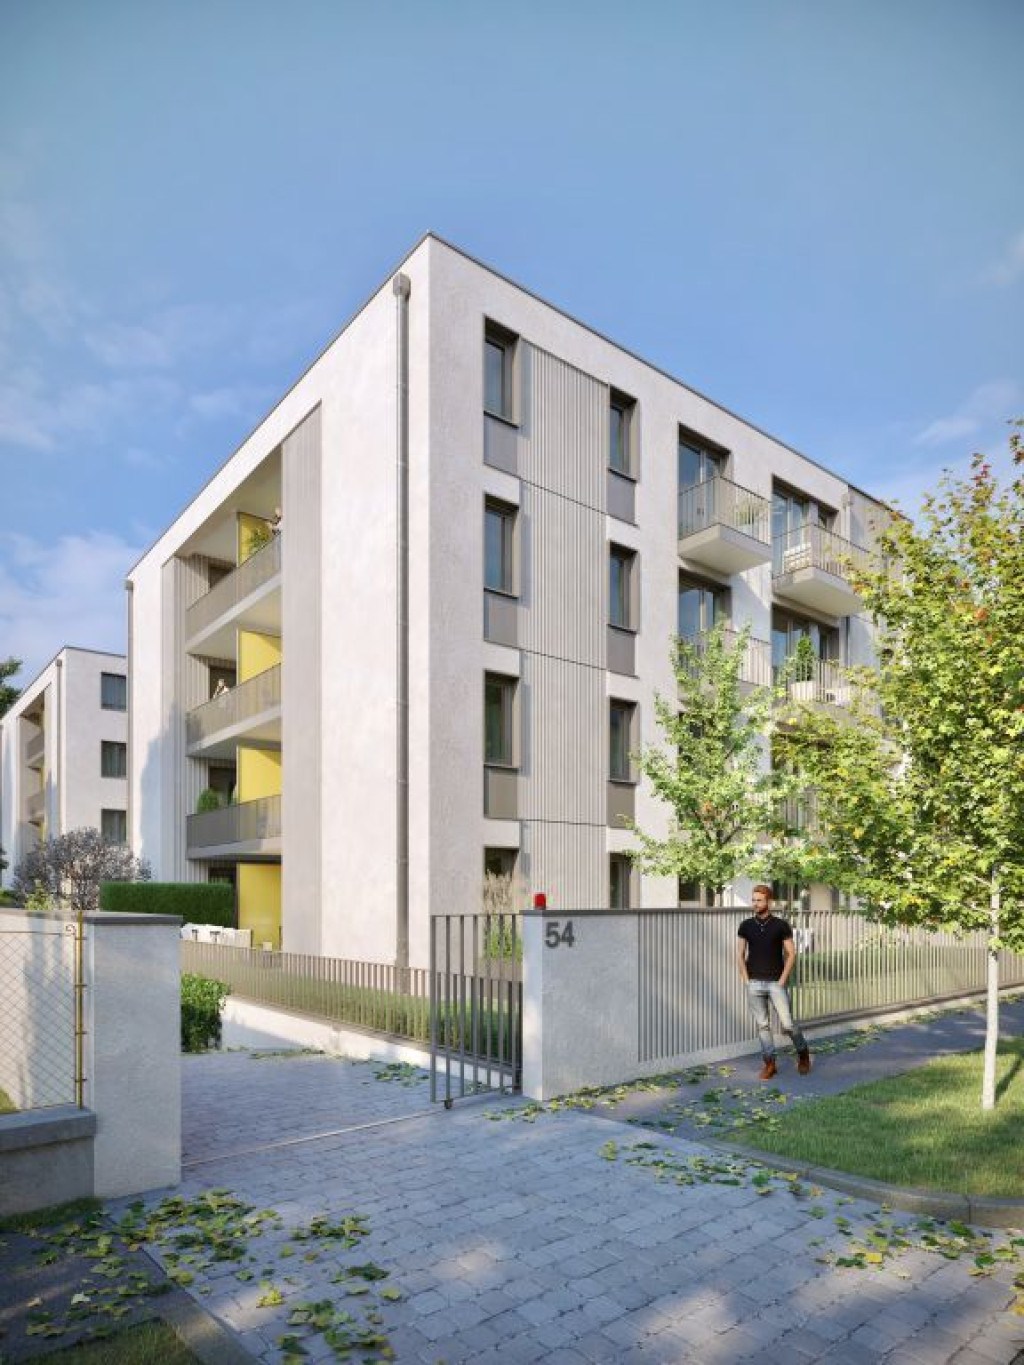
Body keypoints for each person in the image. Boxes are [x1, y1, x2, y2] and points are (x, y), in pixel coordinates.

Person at [736, 884, 812, 1080]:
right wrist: (746, 980)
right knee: (763, 1026)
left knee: (788, 1024)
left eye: (759, 900)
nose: (755, 903)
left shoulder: (781, 925)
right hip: (754, 983)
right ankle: (770, 1064)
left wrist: (782, 979)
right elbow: (740, 954)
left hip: (775, 983)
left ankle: (803, 1053)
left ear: (768, 902)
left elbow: (791, 953)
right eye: (753, 900)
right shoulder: (745, 925)